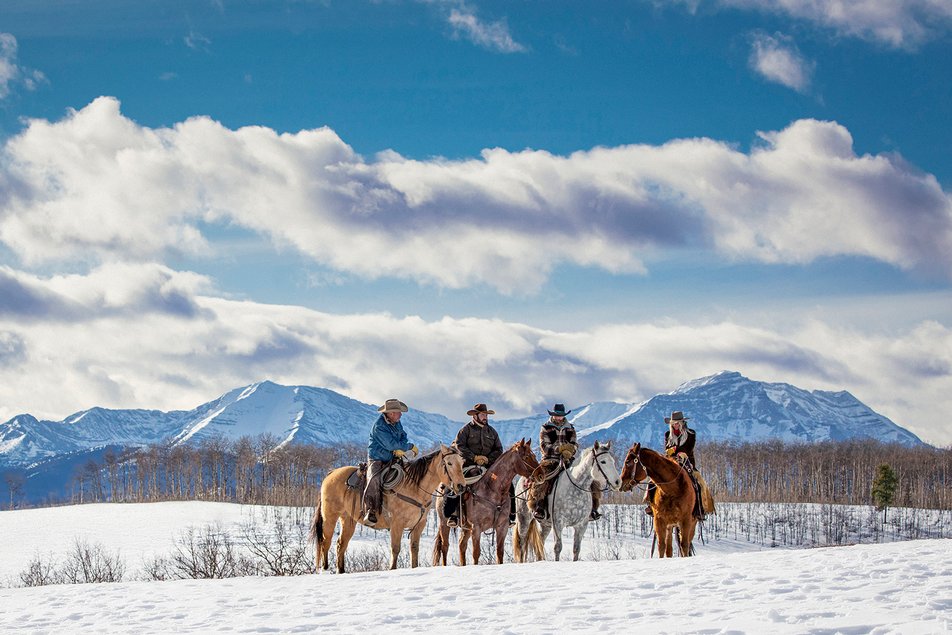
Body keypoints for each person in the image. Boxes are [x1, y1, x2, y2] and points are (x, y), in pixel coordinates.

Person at [527, 404, 602, 521]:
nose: (558, 418)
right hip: (550, 459)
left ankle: (593, 508)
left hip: (568, 459)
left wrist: (570, 451)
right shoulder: (546, 428)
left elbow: (574, 444)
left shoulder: (570, 428)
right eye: (556, 415)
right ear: (553, 415)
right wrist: (558, 449)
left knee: (590, 478)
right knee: (542, 479)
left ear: (564, 416)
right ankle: (539, 506)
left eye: (560, 416)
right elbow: (544, 446)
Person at [444, 403, 506, 527]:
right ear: (475, 416)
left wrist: (487, 459)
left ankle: (509, 515)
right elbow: (459, 446)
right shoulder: (465, 430)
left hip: (488, 469)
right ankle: (453, 515)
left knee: (505, 483)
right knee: (455, 483)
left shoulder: (492, 432)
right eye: (483, 415)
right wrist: (474, 457)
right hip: (468, 465)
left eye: (486, 415)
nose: (485, 417)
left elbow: (499, 449)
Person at [362, 398, 419, 525]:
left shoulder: (397, 423)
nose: (401, 414)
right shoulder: (379, 426)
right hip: (377, 458)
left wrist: (401, 446)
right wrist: (408, 447)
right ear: (391, 413)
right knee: (374, 479)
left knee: (409, 474)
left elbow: (403, 436)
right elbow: (390, 444)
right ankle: (371, 510)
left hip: (392, 457)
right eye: (398, 412)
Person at [645, 410, 697, 516]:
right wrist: (671, 451)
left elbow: (689, 448)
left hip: (686, 461)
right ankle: (651, 504)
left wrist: (678, 451)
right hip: (671, 462)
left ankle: (699, 507)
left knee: (697, 482)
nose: (676, 425)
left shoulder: (691, 434)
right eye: (674, 423)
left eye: (678, 423)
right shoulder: (668, 434)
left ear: (683, 423)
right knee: (653, 480)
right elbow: (667, 450)